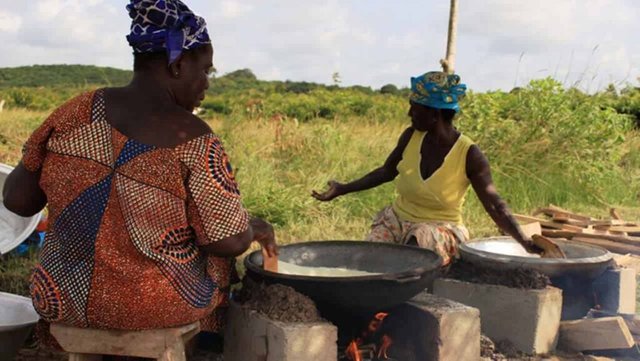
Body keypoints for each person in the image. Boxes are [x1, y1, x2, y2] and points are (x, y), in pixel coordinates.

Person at [2, 0, 276, 340]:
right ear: (178, 64)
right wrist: (254, 229)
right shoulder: (193, 137)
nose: (206, 83)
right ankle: (203, 344)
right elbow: (229, 241)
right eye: (205, 70)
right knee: (217, 261)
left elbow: (17, 200)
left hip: (60, 298)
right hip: (154, 306)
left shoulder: (73, 113)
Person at [312, 71, 537, 265]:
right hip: (398, 220)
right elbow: (386, 172)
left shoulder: (469, 155)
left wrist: (524, 241)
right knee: (372, 257)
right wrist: (343, 189)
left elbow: (495, 206)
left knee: (417, 246)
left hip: (440, 229)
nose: (410, 115)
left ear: (434, 115)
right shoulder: (411, 137)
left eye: (414, 109)